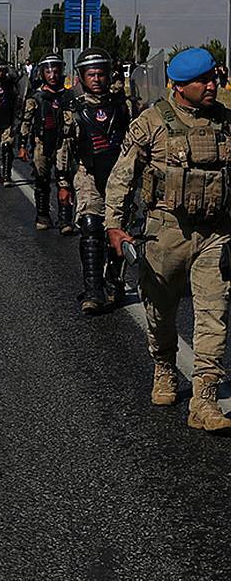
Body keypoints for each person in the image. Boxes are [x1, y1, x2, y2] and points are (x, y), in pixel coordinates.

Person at [105, 47, 231, 433]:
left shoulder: (226, 122)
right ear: (179, 86)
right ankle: (164, 366)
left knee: (214, 313)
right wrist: (114, 225)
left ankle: (204, 398)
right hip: (165, 233)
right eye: (202, 81)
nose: (212, 86)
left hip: (216, 233)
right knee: (160, 312)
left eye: (213, 78)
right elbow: (122, 175)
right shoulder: (151, 123)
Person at [57, 48, 133, 315]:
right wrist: (63, 182)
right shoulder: (73, 110)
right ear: (81, 77)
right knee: (91, 226)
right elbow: (64, 147)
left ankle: (114, 280)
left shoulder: (124, 106)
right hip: (87, 173)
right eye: (91, 74)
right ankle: (93, 290)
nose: (97, 79)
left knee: (117, 228)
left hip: (120, 177)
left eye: (101, 73)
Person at [19, 54, 73, 233]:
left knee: (64, 180)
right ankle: (42, 215)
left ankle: (65, 220)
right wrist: (22, 146)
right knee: (42, 180)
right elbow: (25, 122)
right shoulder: (36, 97)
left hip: (63, 143)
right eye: (48, 71)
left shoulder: (68, 96)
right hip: (41, 143)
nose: (52, 75)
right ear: (42, 73)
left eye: (56, 71)